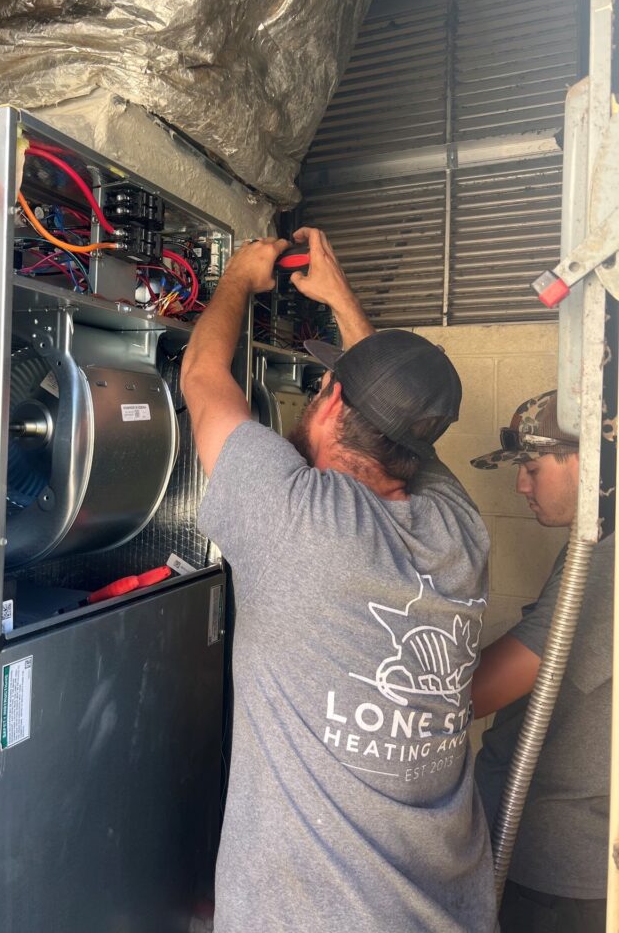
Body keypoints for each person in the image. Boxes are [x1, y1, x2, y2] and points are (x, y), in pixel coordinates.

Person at [181, 227, 497, 932]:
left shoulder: (297, 517)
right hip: (452, 910)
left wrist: (235, 279)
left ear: (326, 400)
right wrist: (346, 303)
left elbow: (202, 377)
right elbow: (401, 414)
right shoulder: (461, 527)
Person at [470, 391, 613, 932]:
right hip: (539, 850)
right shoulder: (592, 543)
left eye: (531, 468)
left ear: (587, 460)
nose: (520, 486)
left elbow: (489, 688)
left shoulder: (604, 562)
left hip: (555, 873)